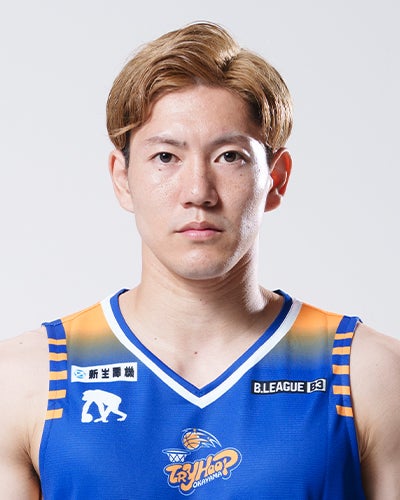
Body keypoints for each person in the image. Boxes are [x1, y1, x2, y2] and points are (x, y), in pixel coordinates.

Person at [0, 21, 399, 500]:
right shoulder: (27, 379)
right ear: (122, 178)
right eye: (166, 157)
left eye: (229, 157)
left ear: (276, 179)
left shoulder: (368, 373)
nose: (198, 192)